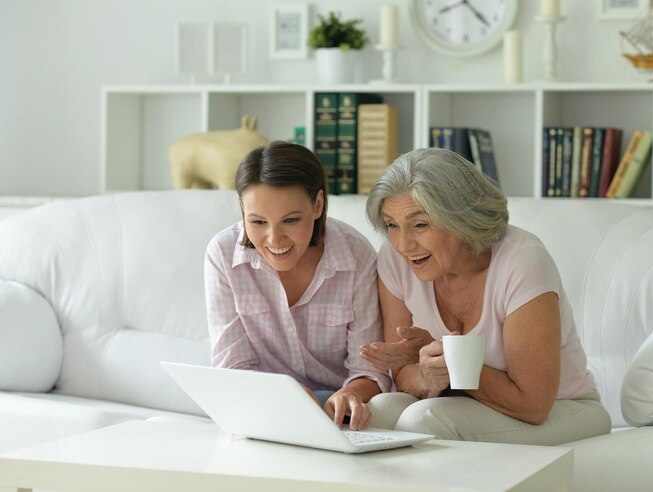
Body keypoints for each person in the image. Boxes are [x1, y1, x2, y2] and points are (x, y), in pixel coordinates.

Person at [360, 147, 611, 445]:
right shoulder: (394, 259)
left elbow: (533, 404)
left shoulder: (523, 261)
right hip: (469, 405)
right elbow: (404, 376)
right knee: (379, 411)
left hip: (561, 408)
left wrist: (450, 363)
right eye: (391, 225)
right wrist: (429, 376)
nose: (403, 244)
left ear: (460, 218)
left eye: (420, 225)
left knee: (423, 420)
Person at [205, 140, 389, 431]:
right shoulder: (222, 255)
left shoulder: (357, 256)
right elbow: (232, 369)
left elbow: (369, 370)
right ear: (241, 209)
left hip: (337, 410)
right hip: (264, 405)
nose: (274, 239)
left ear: (317, 205)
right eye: (257, 222)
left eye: (290, 220)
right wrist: (288, 393)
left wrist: (349, 394)